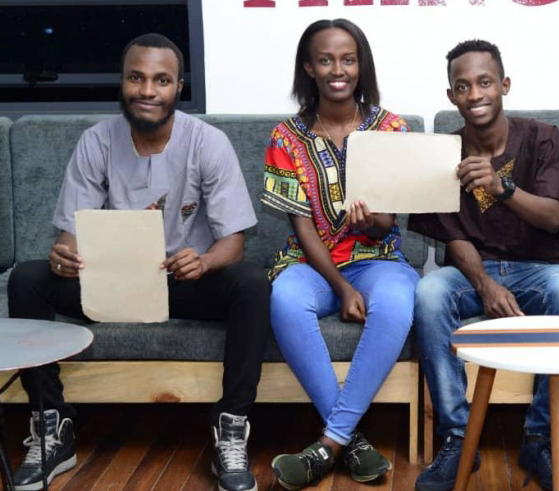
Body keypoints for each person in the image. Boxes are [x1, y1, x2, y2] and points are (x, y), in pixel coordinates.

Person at [5, 33, 270, 491]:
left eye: (161, 80)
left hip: (184, 283)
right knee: (28, 277)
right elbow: (72, 232)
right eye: (137, 78)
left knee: (251, 283)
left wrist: (205, 263)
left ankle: (230, 427)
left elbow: (235, 244)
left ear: (179, 88)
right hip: (114, 286)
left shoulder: (208, 143)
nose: (148, 90)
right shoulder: (96, 141)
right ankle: (52, 426)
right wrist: (65, 256)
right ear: (123, 83)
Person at [409, 40, 559, 491]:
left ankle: (539, 436)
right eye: (463, 86)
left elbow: (552, 216)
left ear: (504, 85)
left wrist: (501, 185)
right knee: (429, 292)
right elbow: (455, 237)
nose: (475, 94)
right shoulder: (445, 151)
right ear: (451, 96)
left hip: (538, 268)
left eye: (485, 82)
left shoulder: (542, 137)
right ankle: (456, 438)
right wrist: (485, 284)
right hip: (474, 271)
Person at [262, 18, 419, 491]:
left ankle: (329, 443)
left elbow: (392, 223)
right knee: (284, 299)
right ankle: (350, 442)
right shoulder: (285, 138)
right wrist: (342, 287)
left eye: (348, 59)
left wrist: (372, 219)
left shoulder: (391, 129)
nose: (338, 69)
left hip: (379, 259)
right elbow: (302, 226)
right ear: (309, 67)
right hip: (311, 264)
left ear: (360, 65)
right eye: (326, 59)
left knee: (396, 302)